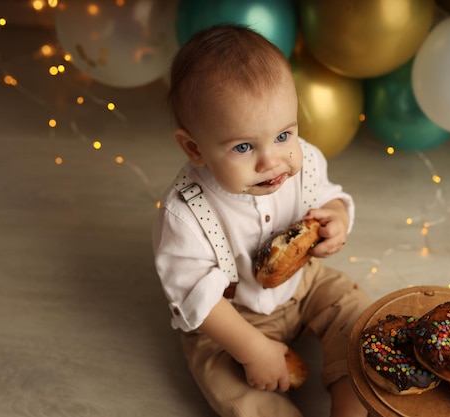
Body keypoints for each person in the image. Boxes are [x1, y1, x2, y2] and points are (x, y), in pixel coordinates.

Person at [152, 24, 371, 417]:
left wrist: (336, 216)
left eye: (284, 135)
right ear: (194, 147)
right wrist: (252, 349)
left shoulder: (303, 161)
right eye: (242, 146)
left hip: (307, 284)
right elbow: (195, 296)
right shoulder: (185, 215)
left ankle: (350, 402)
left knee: (358, 321)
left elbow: (328, 194)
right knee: (231, 384)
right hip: (232, 320)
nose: (271, 161)